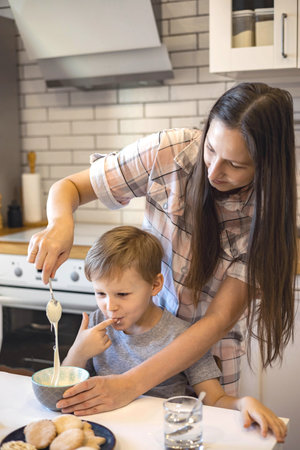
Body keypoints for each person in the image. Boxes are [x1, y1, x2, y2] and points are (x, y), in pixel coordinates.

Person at [27, 82, 297, 413]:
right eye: (210, 149)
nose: (213, 171)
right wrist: (60, 224)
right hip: (141, 331)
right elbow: (70, 188)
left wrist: (131, 384)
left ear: (267, 165)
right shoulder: (171, 151)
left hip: (207, 358)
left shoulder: (265, 216)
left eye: (235, 165)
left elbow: (217, 321)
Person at [61, 226, 287, 442]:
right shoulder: (97, 325)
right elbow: (62, 393)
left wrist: (243, 403)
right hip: (107, 432)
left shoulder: (184, 338)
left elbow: (214, 399)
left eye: (122, 294)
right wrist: (79, 351)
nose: (110, 306)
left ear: (155, 285)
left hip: (160, 437)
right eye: (100, 293)